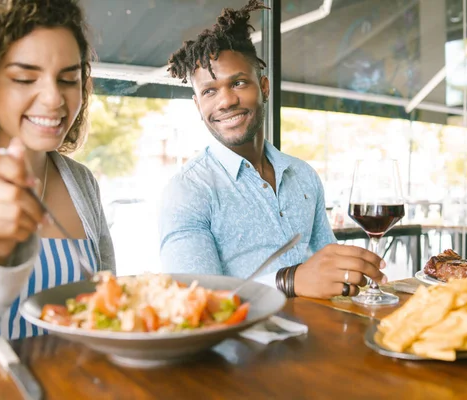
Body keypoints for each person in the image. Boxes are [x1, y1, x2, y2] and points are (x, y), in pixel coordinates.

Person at [160, 0, 386, 299]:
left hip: (316, 338)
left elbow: (328, 268)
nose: (225, 101)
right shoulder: (188, 190)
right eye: (209, 91)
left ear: (264, 87)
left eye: (239, 83)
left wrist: (351, 272)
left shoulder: (303, 175)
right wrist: (288, 280)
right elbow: (195, 299)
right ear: (197, 104)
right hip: (240, 345)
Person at [0, 0, 115, 347]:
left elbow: (108, 309)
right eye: (25, 78)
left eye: (68, 79)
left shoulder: (82, 182)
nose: (54, 98)